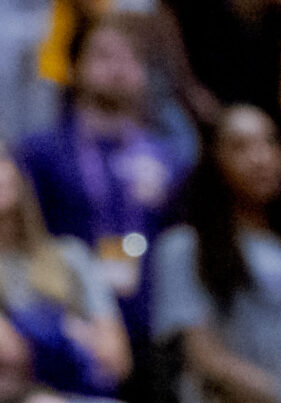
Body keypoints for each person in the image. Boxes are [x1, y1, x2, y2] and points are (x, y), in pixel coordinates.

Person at [14, 14, 187, 349]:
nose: (119, 68)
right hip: (69, 324)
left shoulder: (169, 160)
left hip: (152, 327)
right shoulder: (39, 154)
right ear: (75, 67)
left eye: (132, 57)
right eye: (104, 55)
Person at [153, 105, 281, 403]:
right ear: (214, 160)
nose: (260, 158)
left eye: (270, 143)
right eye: (241, 146)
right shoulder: (184, 247)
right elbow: (204, 357)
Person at [0, 152, 125, 397]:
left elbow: (116, 359)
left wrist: (28, 333)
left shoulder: (70, 256)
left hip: (78, 402)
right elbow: (10, 353)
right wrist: (68, 331)